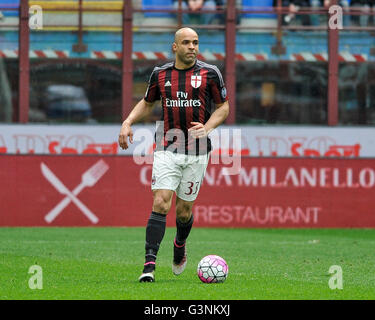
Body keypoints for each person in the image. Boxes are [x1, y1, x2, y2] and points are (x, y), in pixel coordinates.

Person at [118, 27, 229, 282]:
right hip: (167, 146)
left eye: (196, 43)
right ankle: (149, 265)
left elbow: (224, 107)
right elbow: (147, 102)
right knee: (161, 202)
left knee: (183, 211)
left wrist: (208, 127)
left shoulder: (210, 73)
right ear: (175, 47)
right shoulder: (160, 74)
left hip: (198, 151)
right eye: (187, 42)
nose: (192, 47)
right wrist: (128, 122)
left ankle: (179, 244)